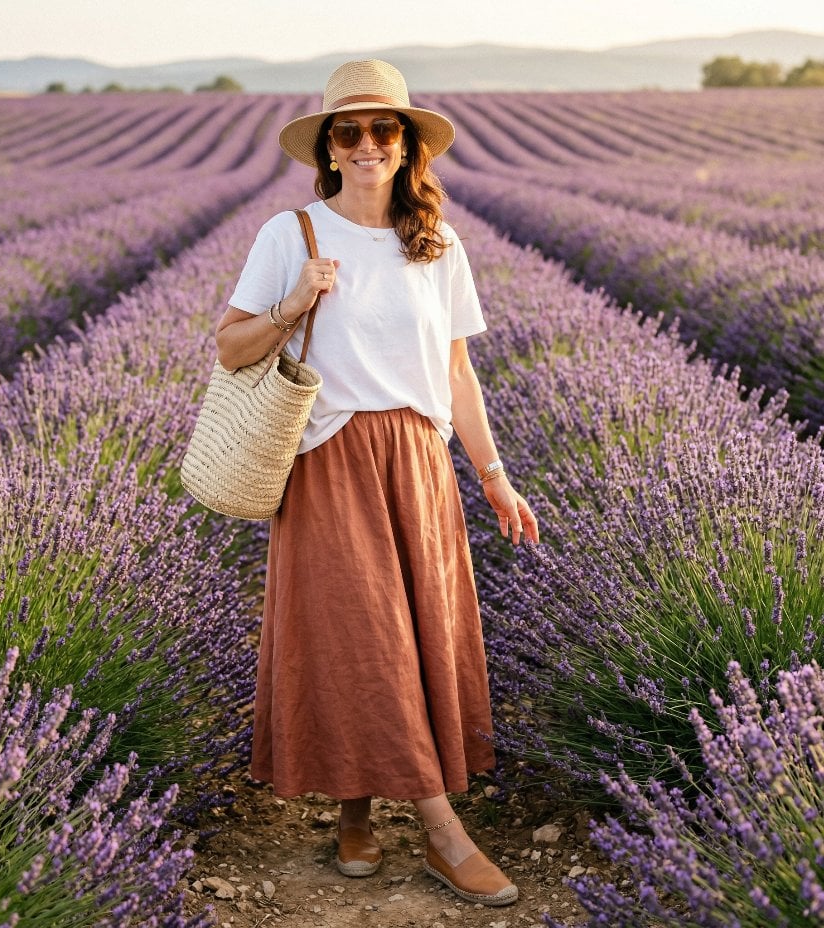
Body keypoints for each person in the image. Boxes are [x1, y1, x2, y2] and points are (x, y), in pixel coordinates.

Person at [215, 59, 539, 907]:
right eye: (348, 132)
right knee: (366, 637)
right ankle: (443, 834)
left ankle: (355, 814)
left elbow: (459, 375)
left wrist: (495, 479)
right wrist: (293, 304)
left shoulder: (438, 241)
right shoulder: (292, 234)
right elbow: (229, 346)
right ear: (328, 148)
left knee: (411, 635)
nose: (366, 145)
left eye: (382, 130)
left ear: (406, 146)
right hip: (329, 460)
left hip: (419, 463)